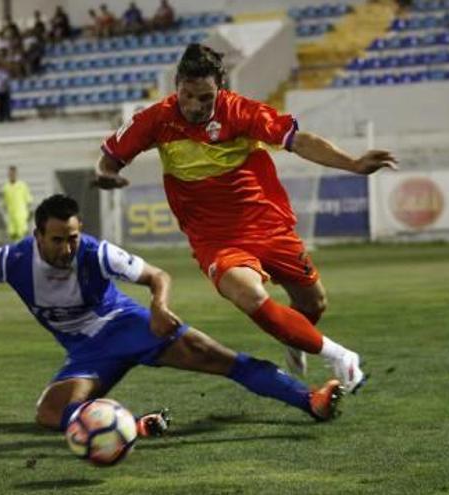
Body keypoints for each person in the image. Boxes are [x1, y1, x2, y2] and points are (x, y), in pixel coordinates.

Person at [94, 44, 396, 391]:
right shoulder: (155, 119)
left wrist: (354, 164)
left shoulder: (241, 112)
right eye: (187, 95)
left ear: (220, 88)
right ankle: (340, 355)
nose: (194, 106)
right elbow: (109, 157)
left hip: (267, 224)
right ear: (176, 84)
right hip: (215, 238)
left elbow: (300, 141)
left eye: (205, 98)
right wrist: (106, 173)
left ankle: (292, 335)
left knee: (313, 304)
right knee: (248, 295)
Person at [0, 195, 344, 435]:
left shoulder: (95, 251)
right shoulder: (10, 260)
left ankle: (311, 400)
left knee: (226, 361)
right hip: (85, 353)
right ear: (38, 236)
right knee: (48, 413)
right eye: (59, 240)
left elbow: (157, 274)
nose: (68, 248)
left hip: (131, 327)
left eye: (73, 237)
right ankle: (129, 428)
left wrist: (159, 307)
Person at [2, 166, 33, 240]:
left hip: (21, 216)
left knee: (21, 235)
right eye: (10, 173)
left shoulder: (22, 186)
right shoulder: (5, 187)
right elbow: (5, 203)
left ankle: (22, 250)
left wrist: (28, 213)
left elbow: (29, 200)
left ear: (16, 174)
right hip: (11, 216)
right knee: (12, 235)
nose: (12, 175)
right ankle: (17, 250)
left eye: (13, 173)